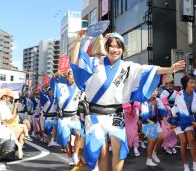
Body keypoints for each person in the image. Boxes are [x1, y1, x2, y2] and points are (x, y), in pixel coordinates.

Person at [71, 30, 185, 171]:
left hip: (115, 114)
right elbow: (75, 62)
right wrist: (78, 40)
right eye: (112, 46)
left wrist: (170, 69)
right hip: (95, 114)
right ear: (106, 48)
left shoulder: (128, 67)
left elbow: (149, 70)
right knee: (102, 151)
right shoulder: (95, 63)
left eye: (119, 47)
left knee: (119, 149)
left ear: (123, 50)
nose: (115, 50)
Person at [168, 74, 196, 171]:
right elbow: (182, 111)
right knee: (183, 142)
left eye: (195, 82)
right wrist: (194, 123)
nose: (194, 84)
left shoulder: (195, 96)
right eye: (191, 82)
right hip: (178, 119)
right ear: (186, 84)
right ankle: (185, 165)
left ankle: (195, 165)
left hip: (188, 120)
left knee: (191, 139)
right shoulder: (180, 94)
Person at [51, 70, 83, 166]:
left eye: (75, 75)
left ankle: (75, 155)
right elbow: (53, 84)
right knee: (67, 140)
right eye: (71, 75)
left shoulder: (79, 87)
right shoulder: (61, 86)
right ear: (67, 77)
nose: (73, 77)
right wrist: (54, 77)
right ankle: (70, 157)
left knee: (78, 134)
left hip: (74, 116)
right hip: (64, 117)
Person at [141, 88, 169, 166]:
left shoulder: (158, 100)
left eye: (156, 90)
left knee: (161, 138)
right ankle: (149, 160)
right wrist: (151, 122)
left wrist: (166, 124)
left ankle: (154, 153)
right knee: (152, 140)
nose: (155, 92)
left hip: (155, 123)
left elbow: (163, 113)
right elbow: (145, 117)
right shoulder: (144, 101)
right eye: (154, 90)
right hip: (147, 123)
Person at [0, 87, 23, 160]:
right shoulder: (1, 105)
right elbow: (10, 120)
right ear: (4, 97)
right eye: (10, 97)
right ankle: (18, 153)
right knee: (16, 133)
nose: (10, 99)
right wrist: (15, 107)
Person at [159, 74, 178, 155]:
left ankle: (173, 145)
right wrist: (171, 111)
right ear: (166, 84)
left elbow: (178, 102)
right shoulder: (163, 92)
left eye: (172, 83)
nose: (171, 85)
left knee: (174, 131)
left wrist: (176, 111)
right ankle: (166, 146)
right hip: (167, 114)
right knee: (167, 131)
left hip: (174, 114)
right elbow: (165, 104)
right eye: (169, 83)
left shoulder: (176, 92)